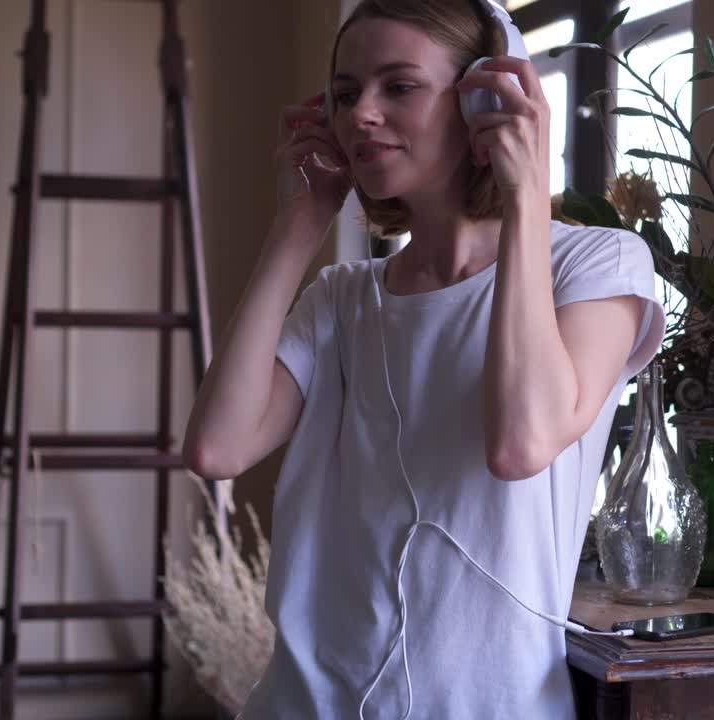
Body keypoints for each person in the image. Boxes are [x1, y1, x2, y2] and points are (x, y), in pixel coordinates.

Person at [183, 0, 664, 717]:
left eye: (397, 86)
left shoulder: (598, 263)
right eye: (345, 94)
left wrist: (526, 196)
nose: (360, 115)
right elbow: (217, 448)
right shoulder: (341, 299)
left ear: (484, 102)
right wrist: (297, 224)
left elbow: (521, 441)